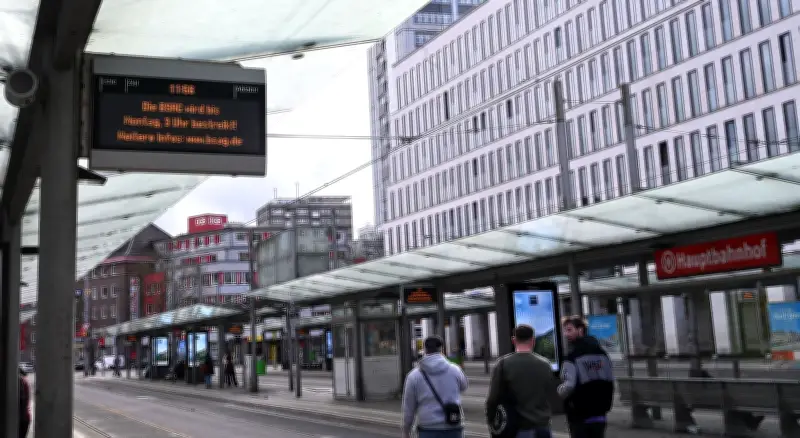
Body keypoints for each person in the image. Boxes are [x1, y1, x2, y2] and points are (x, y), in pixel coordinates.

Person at [486, 324, 556, 438]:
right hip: (543, 428)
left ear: (513, 340)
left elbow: (492, 399)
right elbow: (550, 395)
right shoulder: (545, 364)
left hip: (517, 428)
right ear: (533, 341)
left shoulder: (503, 364)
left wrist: (491, 420)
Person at [558, 316, 614, 438]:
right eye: (565, 330)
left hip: (579, 414)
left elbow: (569, 385)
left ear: (580, 330)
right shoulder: (603, 354)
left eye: (569, 330)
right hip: (600, 412)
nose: (566, 334)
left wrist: (559, 392)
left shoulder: (572, 356)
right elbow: (610, 380)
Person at [402, 335, 468, 438]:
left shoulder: (413, 376)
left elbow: (409, 408)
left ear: (424, 349)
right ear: (441, 349)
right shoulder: (455, 370)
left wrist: (406, 430)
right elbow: (464, 386)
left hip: (428, 428)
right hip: (453, 425)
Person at [19, 367, 31, 438]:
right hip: (24, 418)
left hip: (21, 419)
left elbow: (22, 401)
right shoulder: (24, 381)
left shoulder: (20, 381)